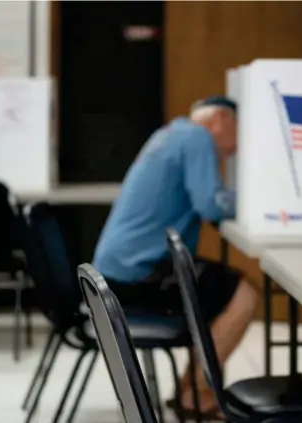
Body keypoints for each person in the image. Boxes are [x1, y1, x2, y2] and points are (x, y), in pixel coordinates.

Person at [92, 96, 258, 419]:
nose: (235, 148)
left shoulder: (169, 135)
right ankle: (196, 395)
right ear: (222, 119)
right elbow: (211, 205)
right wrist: (258, 197)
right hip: (138, 273)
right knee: (245, 295)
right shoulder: (197, 138)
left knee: (215, 290)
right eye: (240, 131)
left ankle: (192, 389)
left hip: (113, 273)